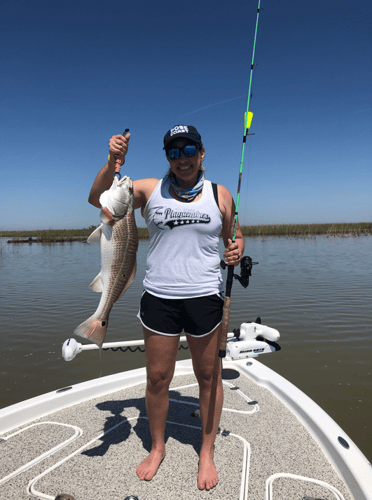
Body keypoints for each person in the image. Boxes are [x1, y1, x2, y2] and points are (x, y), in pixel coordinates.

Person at [88, 125, 245, 491]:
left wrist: (237, 247)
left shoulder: (219, 194)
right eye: (173, 153)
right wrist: (112, 160)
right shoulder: (146, 189)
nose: (182, 158)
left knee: (209, 378)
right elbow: (99, 199)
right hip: (159, 297)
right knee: (158, 379)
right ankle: (157, 447)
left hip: (205, 297)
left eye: (188, 149)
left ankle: (206, 451)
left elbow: (235, 233)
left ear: (202, 153)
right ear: (167, 159)